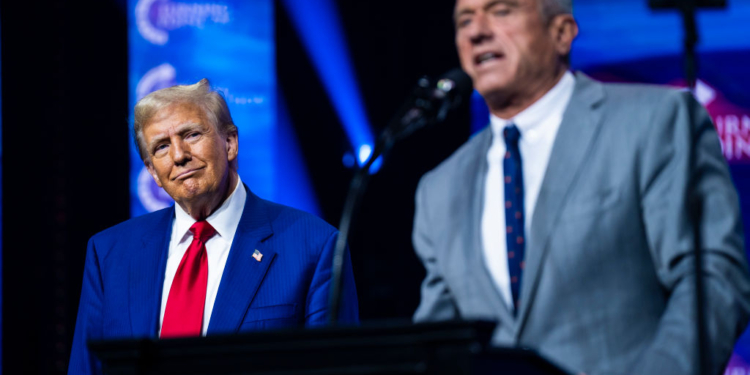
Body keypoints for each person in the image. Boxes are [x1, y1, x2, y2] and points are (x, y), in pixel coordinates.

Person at [411, 0, 750, 374]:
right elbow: (437, 345)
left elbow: (713, 281)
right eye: (464, 20)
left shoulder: (656, 122)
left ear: (561, 33)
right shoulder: (438, 191)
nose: (477, 32)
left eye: (501, 11)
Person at [68, 79, 359, 374]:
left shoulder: (314, 246)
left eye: (191, 134)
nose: (179, 155)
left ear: (230, 142)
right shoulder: (109, 254)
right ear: (152, 171)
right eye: (161, 147)